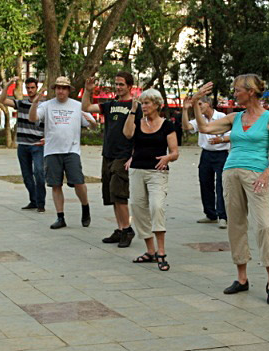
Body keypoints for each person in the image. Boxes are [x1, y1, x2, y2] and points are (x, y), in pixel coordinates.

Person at [191, 75, 269, 305]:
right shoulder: (234, 118)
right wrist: (195, 102)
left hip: (256, 175)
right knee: (236, 225)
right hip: (230, 172)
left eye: (237, 90)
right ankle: (241, 278)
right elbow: (204, 127)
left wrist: (267, 172)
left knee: (264, 225)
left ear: (250, 92)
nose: (234, 94)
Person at [82, 72, 140, 248]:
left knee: (120, 194)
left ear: (130, 86)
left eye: (121, 84)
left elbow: (139, 133)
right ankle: (120, 228)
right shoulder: (110, 104)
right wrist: (87, 91)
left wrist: (133, 156)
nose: (118, 87)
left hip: (123, 155)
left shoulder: (135, 106)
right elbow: (86, 107)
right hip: (108, 153)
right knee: (112, 195)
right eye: (116, 84)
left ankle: (128, 229)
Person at [29, 76, 95, 229]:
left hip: (72, 150)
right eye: (58, 87)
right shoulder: (46, 105)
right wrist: (35, 102)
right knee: (55, 185)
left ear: (68, 90)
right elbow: (33, 118)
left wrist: (92, 122)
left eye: (64, 88)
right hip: (52, 151)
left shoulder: (77, 106)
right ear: (55, 89)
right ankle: (60, 217)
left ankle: (85, 207)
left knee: (79, 182)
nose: (60, 91)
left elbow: (92, 125)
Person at [124, 89, 179, 271]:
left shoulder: (167, 125)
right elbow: (127, 134)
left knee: (157, 207)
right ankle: (150, 251)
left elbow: (174, 152)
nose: (144, 106)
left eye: (147, 103)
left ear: (157, 105)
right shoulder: (137, 121)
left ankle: (161, 251)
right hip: (137, 170)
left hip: (157, 172)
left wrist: (167, 158)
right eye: (142, 103)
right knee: (138, 209)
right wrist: (133, 110)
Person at [182, 96, 230, 228]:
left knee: (221, 185)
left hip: (221, 154)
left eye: (200, 104)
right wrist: (185, 110)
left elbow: (231, 135)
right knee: (205, 183)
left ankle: (223, 216)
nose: (198, 107)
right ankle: (210, 214)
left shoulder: (222, 117)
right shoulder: (200, 118)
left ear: (208, 104)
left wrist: (221, 140)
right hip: (206, 154)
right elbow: (187, 126)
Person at [0, 76, 46, 213]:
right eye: (28, 88)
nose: (30, 90)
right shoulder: (21, 103)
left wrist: (47, 138)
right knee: (26, 175)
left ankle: (41, 203)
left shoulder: (44, 105)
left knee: (38, 172)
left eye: (33, 88)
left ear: (36, 88)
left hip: (38, 145)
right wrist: (8, 84)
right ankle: (33, 200)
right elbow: (2, 100)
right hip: (23, 145)